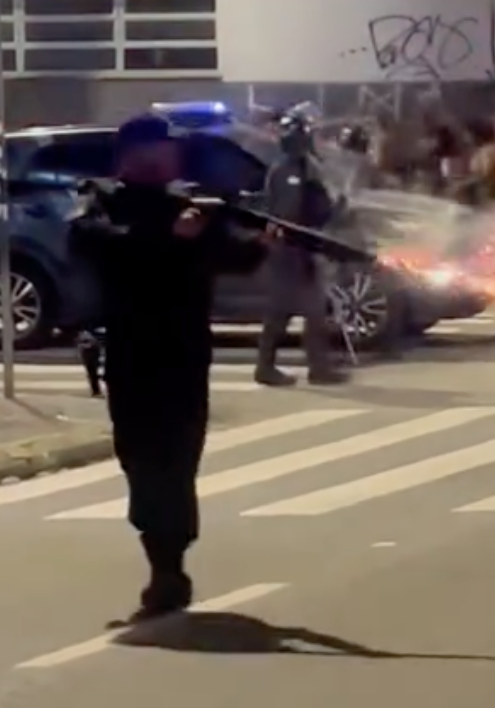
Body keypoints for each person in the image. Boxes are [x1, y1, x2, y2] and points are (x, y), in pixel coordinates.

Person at [69, 113, 266, 619]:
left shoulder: (193, 206)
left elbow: (231, 254)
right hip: (134, 351)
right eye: (162, 148)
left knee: (180, 458)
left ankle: (170, 563)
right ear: (134, 154)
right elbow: (91, 242)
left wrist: (260, 245)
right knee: (141, 457)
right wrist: (167, 239)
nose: (173, 156)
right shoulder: (102, 198)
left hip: (185, 353)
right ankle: (161, 556)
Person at [255, 112, 348, 387]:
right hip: (290, 250)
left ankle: (316, 368)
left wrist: (332, 210)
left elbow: (313, 205)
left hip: (300, 247)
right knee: (288, 311)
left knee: (304, 310)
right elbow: (288, 212)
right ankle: (271, 367)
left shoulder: (301, 167)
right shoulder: (287, 170)